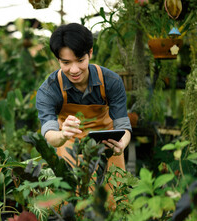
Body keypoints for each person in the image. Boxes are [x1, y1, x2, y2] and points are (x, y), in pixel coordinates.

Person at [35, 23, 132, 170]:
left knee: (114, 191)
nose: (74, 70)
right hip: (70, 150)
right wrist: (62, 135)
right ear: (58, 60)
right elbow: (49, 134)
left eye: (80, 60)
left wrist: (122, 144)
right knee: (73, 191)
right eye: (66, 63)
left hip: (108, 149)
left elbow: (123, 125)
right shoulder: (49, 90)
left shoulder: (111, 81)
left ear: (90, 53)